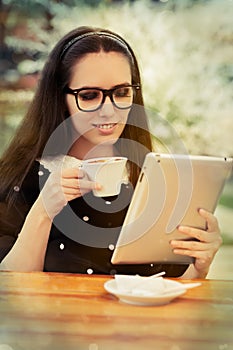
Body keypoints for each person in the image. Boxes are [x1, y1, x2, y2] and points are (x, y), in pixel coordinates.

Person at [0, 26, 222, 278]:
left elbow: (170, 286)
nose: (108, 110)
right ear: (60, 97)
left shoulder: (152, 177)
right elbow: (10, 291)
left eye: (121, 92)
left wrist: (199, 266)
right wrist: (43, 211)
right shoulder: (20, 180)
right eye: (89, 96)